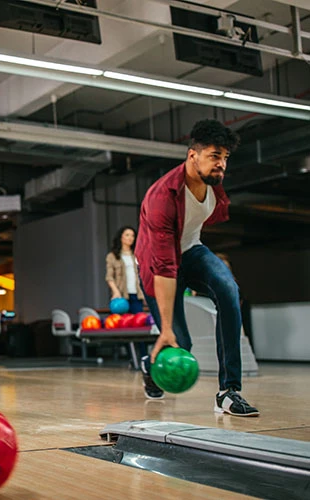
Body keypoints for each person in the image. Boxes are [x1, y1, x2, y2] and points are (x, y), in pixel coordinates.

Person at [135, 119, 259, 417]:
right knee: (182, 342)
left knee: (229, 292)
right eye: (215, 156)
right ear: (193, 156)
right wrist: (165, 329)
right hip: (157, 263)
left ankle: (229, 391)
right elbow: (165, 266)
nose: (222, 165)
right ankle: (151, 365)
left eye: (225, 158)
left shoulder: (211, 182)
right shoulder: (161, 198)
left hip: (192, 250)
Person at [105, 226, 147, 360]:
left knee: (140, 326)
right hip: (122, 297)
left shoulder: (137, 254)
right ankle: (131, 358)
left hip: (137, 295)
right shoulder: (112, 256)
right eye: (127, 235)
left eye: (132, 235)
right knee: (125, 328)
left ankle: (143, 357)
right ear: (121, 237)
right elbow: (109, 277)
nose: (130, 238)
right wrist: (115, 292)